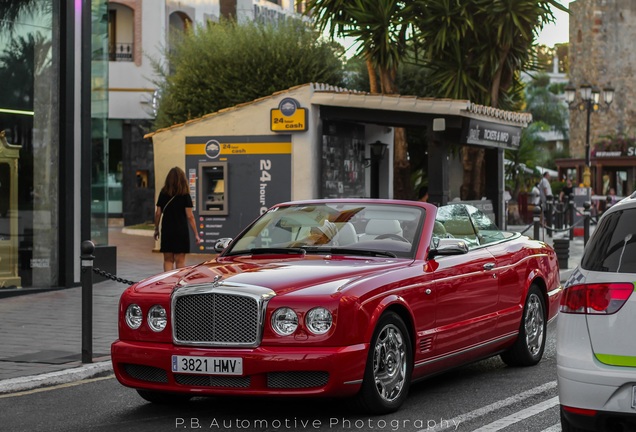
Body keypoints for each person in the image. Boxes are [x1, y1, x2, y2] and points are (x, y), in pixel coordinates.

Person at [154, 167, 201, 271]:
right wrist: (196, 234)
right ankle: (177, 284)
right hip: (181, 231)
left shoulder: (163, 193)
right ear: (183, 179)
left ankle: (168, 283)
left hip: (167, 230)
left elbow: (158, 213)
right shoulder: (185, 195)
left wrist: (156, 228)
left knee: (168, 260)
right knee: (180, 261)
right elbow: (190, 216)